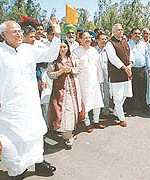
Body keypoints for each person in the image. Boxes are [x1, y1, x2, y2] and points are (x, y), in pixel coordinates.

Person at [0, 19, 60, 179]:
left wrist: (57, 35)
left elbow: (51, 55)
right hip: (9, 107)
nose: (19, 34)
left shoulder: (28, 49)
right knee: (13, 141)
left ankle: (38, 163)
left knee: (34, 134)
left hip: (30, 103)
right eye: (15, 32)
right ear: (3, 35)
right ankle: (16, 168)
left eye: (20, 31)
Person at [48, 39, 83, 149]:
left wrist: (71, 70)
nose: (62, 49)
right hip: (59, 91)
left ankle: (69, 134)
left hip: (72, 91)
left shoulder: (72, 58)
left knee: (71, 112)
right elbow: (50, 74)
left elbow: (79, 69)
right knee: (60, 114)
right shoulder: (54, 60)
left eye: (64, 47)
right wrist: (61, 72)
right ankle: (67, 135)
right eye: (60, 47)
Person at [73, 32, 105, 133]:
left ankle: (96, 121)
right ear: (80, 40)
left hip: (94, 81)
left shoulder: (94, 51)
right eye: (85, 38)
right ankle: (87, 123)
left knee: (97, 101)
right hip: (83, 82)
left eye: (89, 38)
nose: (87, 39)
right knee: (85, 102)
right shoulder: (75, 52)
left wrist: (100, 80)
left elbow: (98, 66)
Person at [105, 23, 135, 127]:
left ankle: (115, 112)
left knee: (125, 95)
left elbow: (131, 54)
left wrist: (130, 65)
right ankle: (121, 118)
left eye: (121, 30)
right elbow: (113, 58)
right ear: (113, 31)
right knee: (117, 98)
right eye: (118, 30)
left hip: (127, 74)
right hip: (116, 75)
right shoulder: (110, 43)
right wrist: (124, 67)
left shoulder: (125, 42)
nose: (121, 31)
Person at [127, 27, 150, 114]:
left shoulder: (144, 44)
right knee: (132, 90)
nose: (137, 35)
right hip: (132, 69)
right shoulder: (128, 44)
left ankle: (144, 108)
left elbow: (147, 56)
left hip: (142, 69)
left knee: (143, 89)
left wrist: (149, 67)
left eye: (138, 33)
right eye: (135, 33)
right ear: (132, 35)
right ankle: (131, 109)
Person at [95, 33, 110, 117]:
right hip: (96, 74)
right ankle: (97, 110)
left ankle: (106, 109)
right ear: (97, 40)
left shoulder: (108, 50)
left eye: (105, 39)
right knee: (98, 92)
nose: (104, 41)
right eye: (102, 39)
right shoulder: (93, 50)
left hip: (106, 73)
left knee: (106, 91)